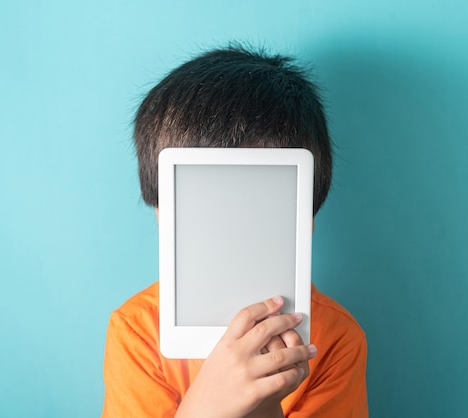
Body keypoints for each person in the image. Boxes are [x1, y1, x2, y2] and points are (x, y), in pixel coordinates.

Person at [101, 45, 368, 417]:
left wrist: (262, 403)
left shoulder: (336, 339)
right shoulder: (138, 331)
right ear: (161, 213)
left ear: (304, 220)